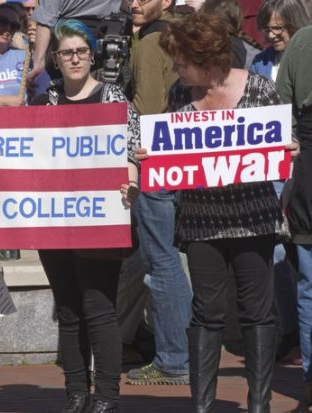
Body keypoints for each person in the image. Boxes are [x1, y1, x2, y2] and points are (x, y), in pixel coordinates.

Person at [154, 12, 296, 412]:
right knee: (206, 312)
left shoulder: (259, 89)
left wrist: (291, 147)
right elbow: (169, 150)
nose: (177, 68)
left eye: (182, 61)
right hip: (202, 221)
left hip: (254, 218)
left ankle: (260, 402)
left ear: (207, 57)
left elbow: (283, 139)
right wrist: (151, 156)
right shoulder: (180, 95)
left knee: (256, 311)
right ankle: (203, 404)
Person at [28, 19, 139, 413]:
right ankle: (75, 392)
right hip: (54, 222)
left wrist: (131, 181)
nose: (73, 58)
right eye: (65, 52)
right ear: (55, 59)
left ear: (91, 54)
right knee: (69, 309)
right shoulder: (43, 104)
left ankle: (106, 395)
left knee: (99, 308)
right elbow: (25, 162)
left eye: (80, 51)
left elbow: (131, 154)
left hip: (99, 220)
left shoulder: (114, 99)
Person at [125, 0, 192, 387]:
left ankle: (173, 358)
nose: (134, 3)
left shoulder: (153, 43)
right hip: (180, 161)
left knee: (161, 261)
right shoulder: (177, 34)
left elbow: (147, 109)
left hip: (158, 162)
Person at [276, 21, 312, 409]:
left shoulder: (302, 40)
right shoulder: (302, 40)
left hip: (308, 173)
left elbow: (280, 106)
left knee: (309, 289)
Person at [251, 0, 312, 81]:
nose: (271, 35)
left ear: (296, 24)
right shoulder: (260, 62)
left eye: (277, 28)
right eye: (267, 29)